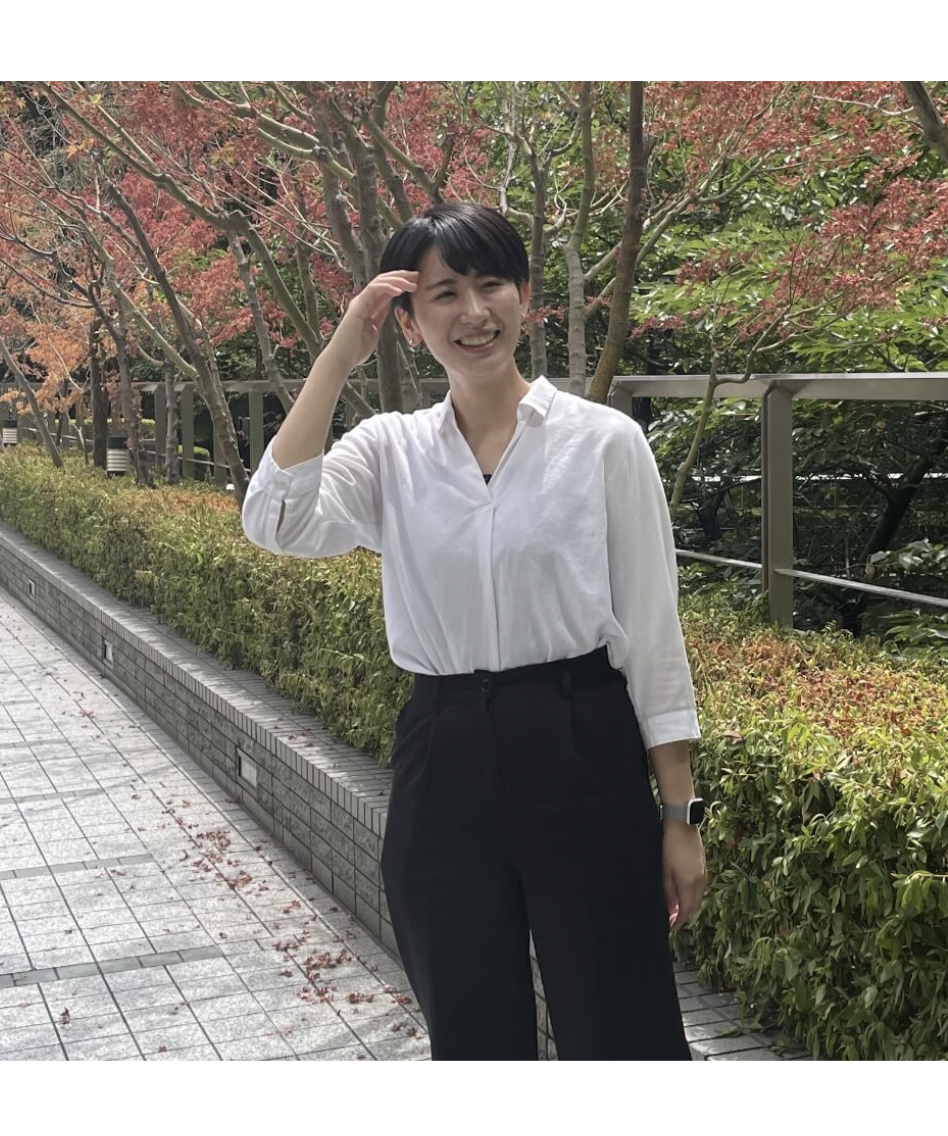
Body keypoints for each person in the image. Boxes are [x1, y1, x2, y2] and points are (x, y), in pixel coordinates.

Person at [240, 202, 706, 1060]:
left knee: (622, 1024)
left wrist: (679, 814)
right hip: (443, 746)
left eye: (491, 284)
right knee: (470, 1024)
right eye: (443, 294)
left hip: (579, 736)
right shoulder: (389, 451)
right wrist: (340, 353)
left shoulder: (603, 444)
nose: (473, 312)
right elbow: (275, 520)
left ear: (525, 295)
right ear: (408, 322)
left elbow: (651, 632)